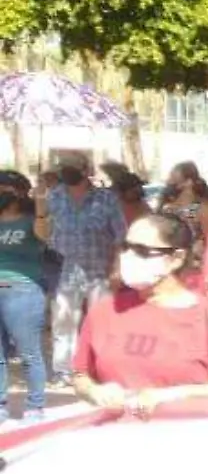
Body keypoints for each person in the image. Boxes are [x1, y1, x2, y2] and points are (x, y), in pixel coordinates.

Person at [72, 213, 208, 415]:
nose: (129, 257)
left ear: (176, 258)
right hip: (114, 436)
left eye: (142, 250)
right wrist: (94, 391)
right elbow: (81, 375)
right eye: (126, 247)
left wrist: (170, 396)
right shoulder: (105, 310)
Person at [45, 163, 128, 384]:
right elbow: (45, 230)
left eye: (72, 162)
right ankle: (64, 370)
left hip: (99, 269)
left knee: (102, 321)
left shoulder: (106, 198)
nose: (65, 168)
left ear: (85, 171)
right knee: (63, 322)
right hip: (64, 268)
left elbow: (121, 235)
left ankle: (100, 367)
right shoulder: (54, 196)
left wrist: (117, 268)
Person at [0, 171, 49, 421]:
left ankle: (35, 405)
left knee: (29, 353)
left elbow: (45, 235)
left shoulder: (32, 220)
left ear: (18, 192)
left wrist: (41, 203)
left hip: (24, 291)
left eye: (4, 189)